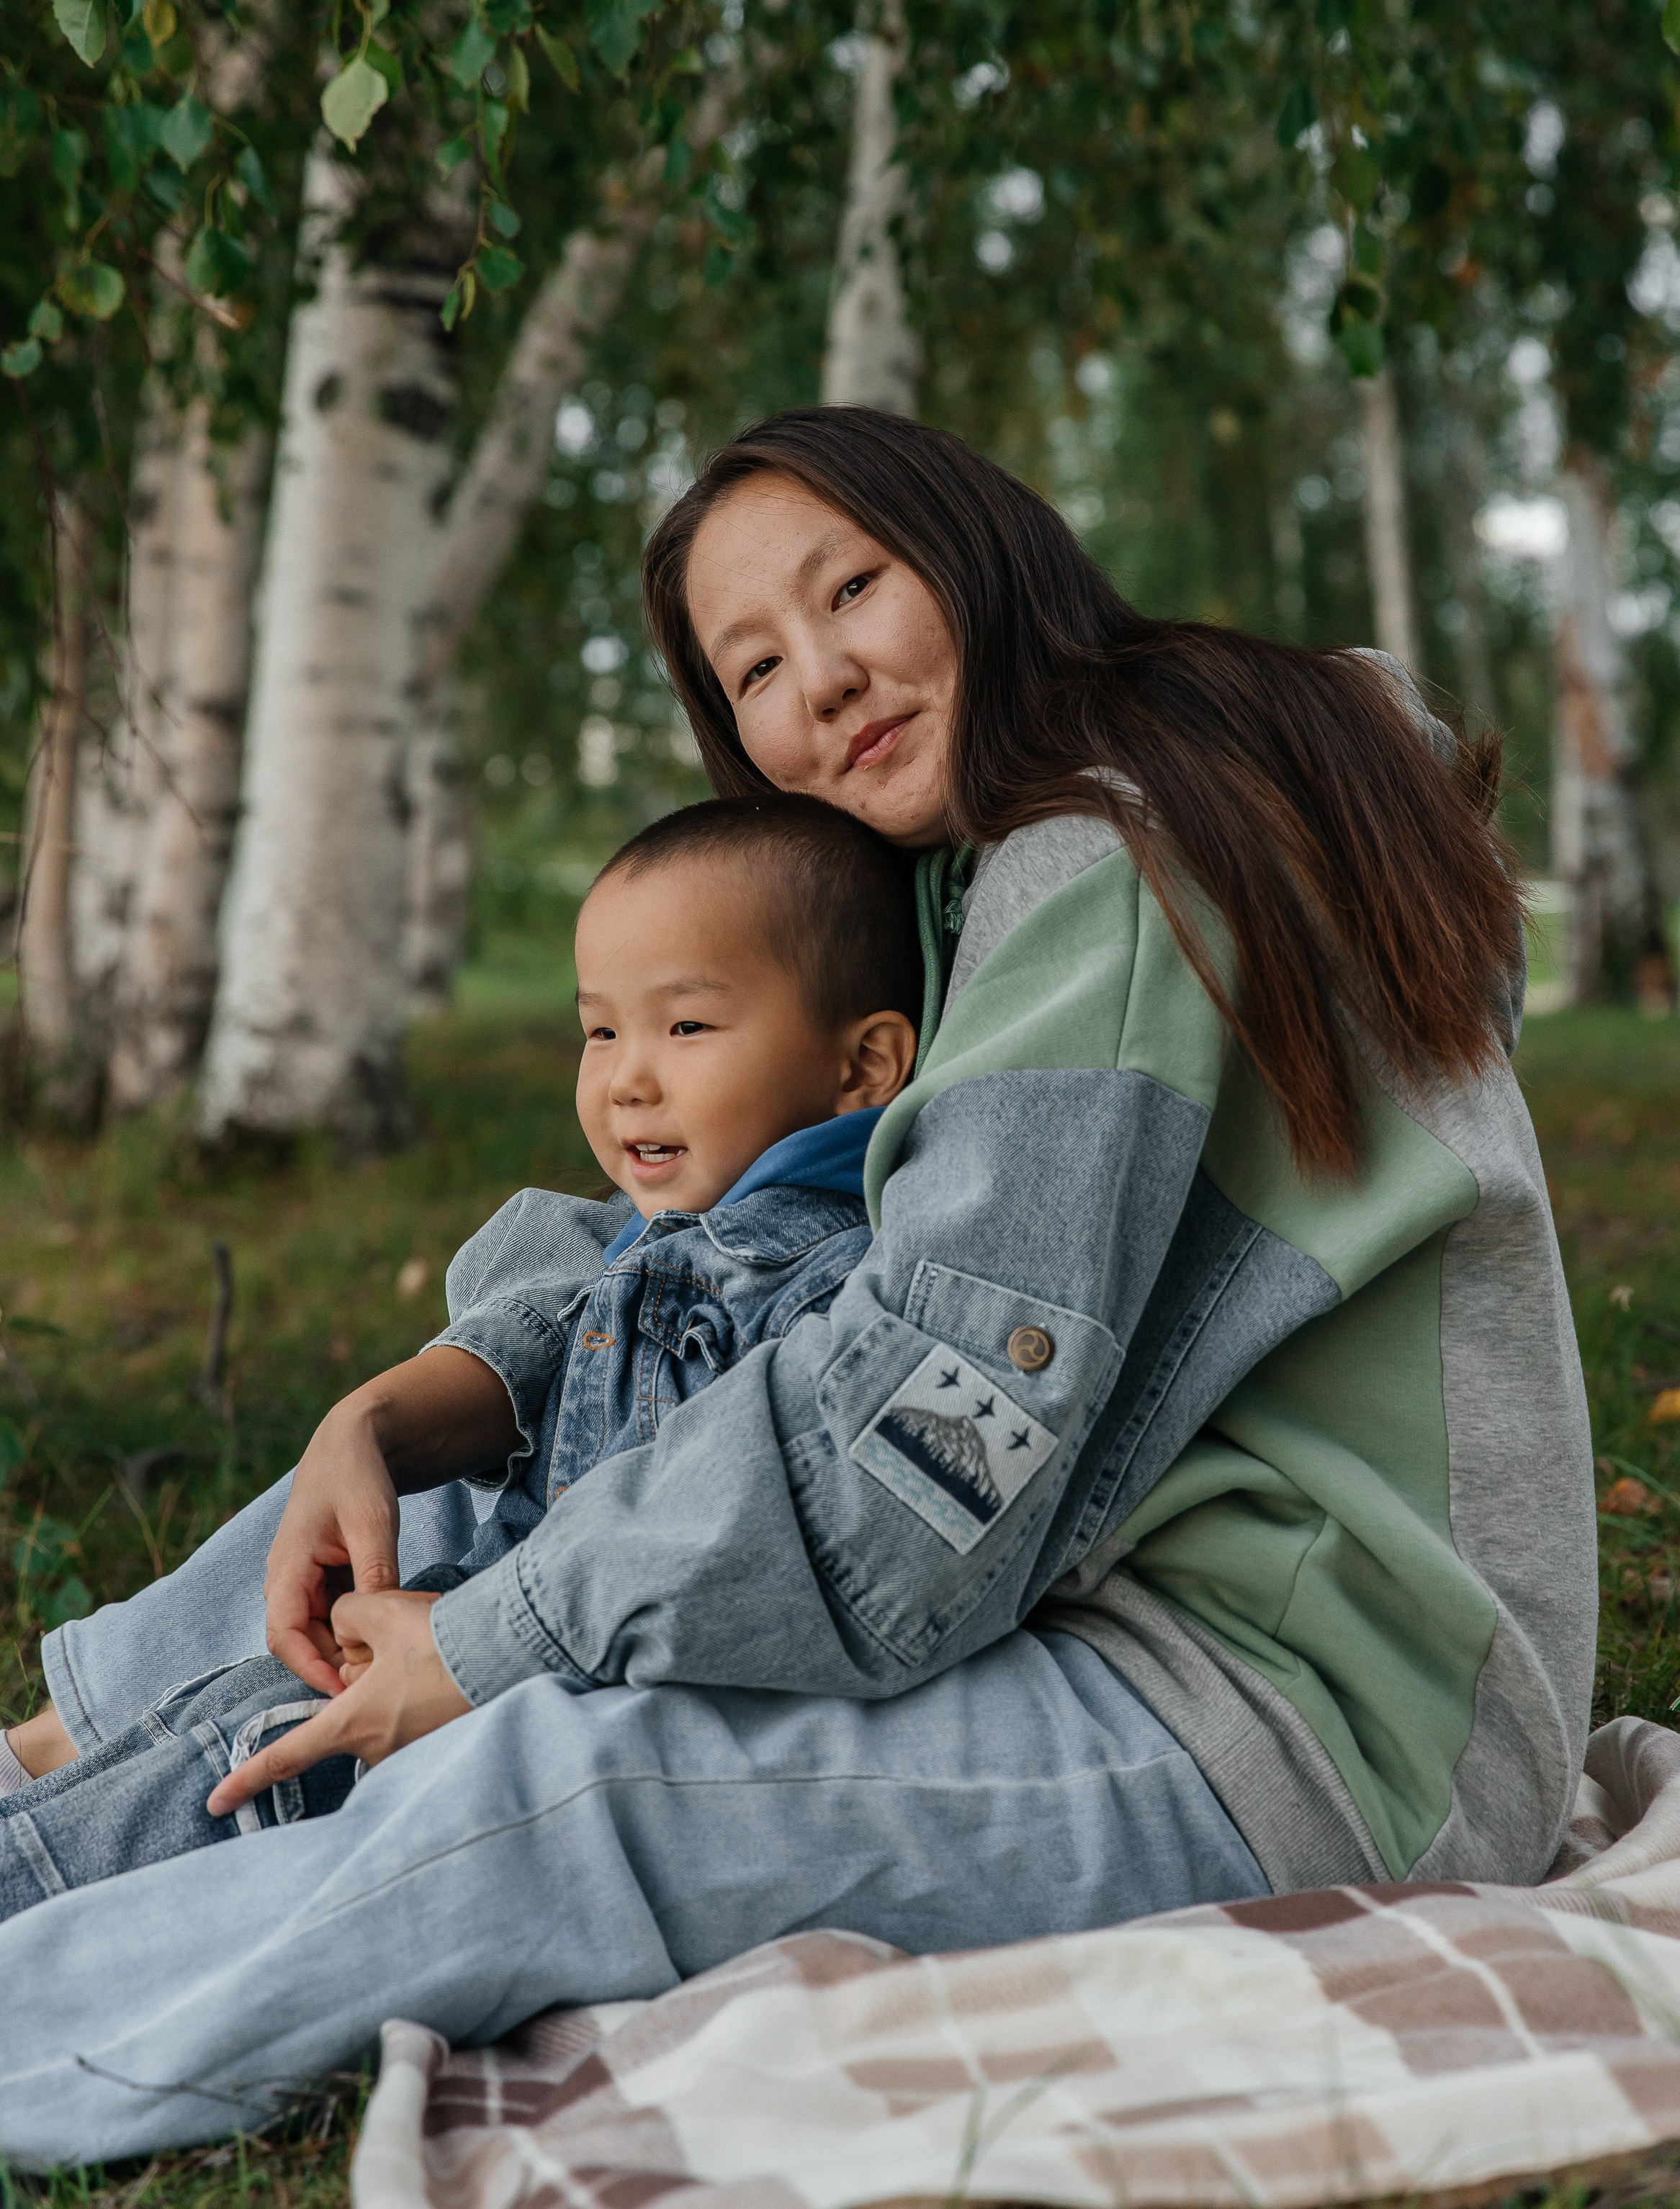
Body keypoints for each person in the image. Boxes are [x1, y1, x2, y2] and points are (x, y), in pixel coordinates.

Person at [0, 408, 1593, 2167]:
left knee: (567, 1781)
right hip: (1115, 1598)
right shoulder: (981, 875)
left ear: (981, 556)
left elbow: (918, 1458)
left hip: (1307, 1717)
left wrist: (496, 1645)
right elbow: (713, 1261)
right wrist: (399, 1404)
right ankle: (47, 1766)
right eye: (756, 665)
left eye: (856, 589)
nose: (822, 683)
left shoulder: (1111, 859)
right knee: (471, 1514)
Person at [0, 794, 920, 1907]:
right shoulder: (674, 1235)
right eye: (600, 1031)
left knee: (222, 1778)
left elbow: (724, 1534)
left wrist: (487, 1636)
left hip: (534, 1696)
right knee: (211, 1725)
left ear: (863, 1067)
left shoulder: (816, 1288)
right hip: (463, 1632)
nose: (628, 1077)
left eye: (685, 1028)